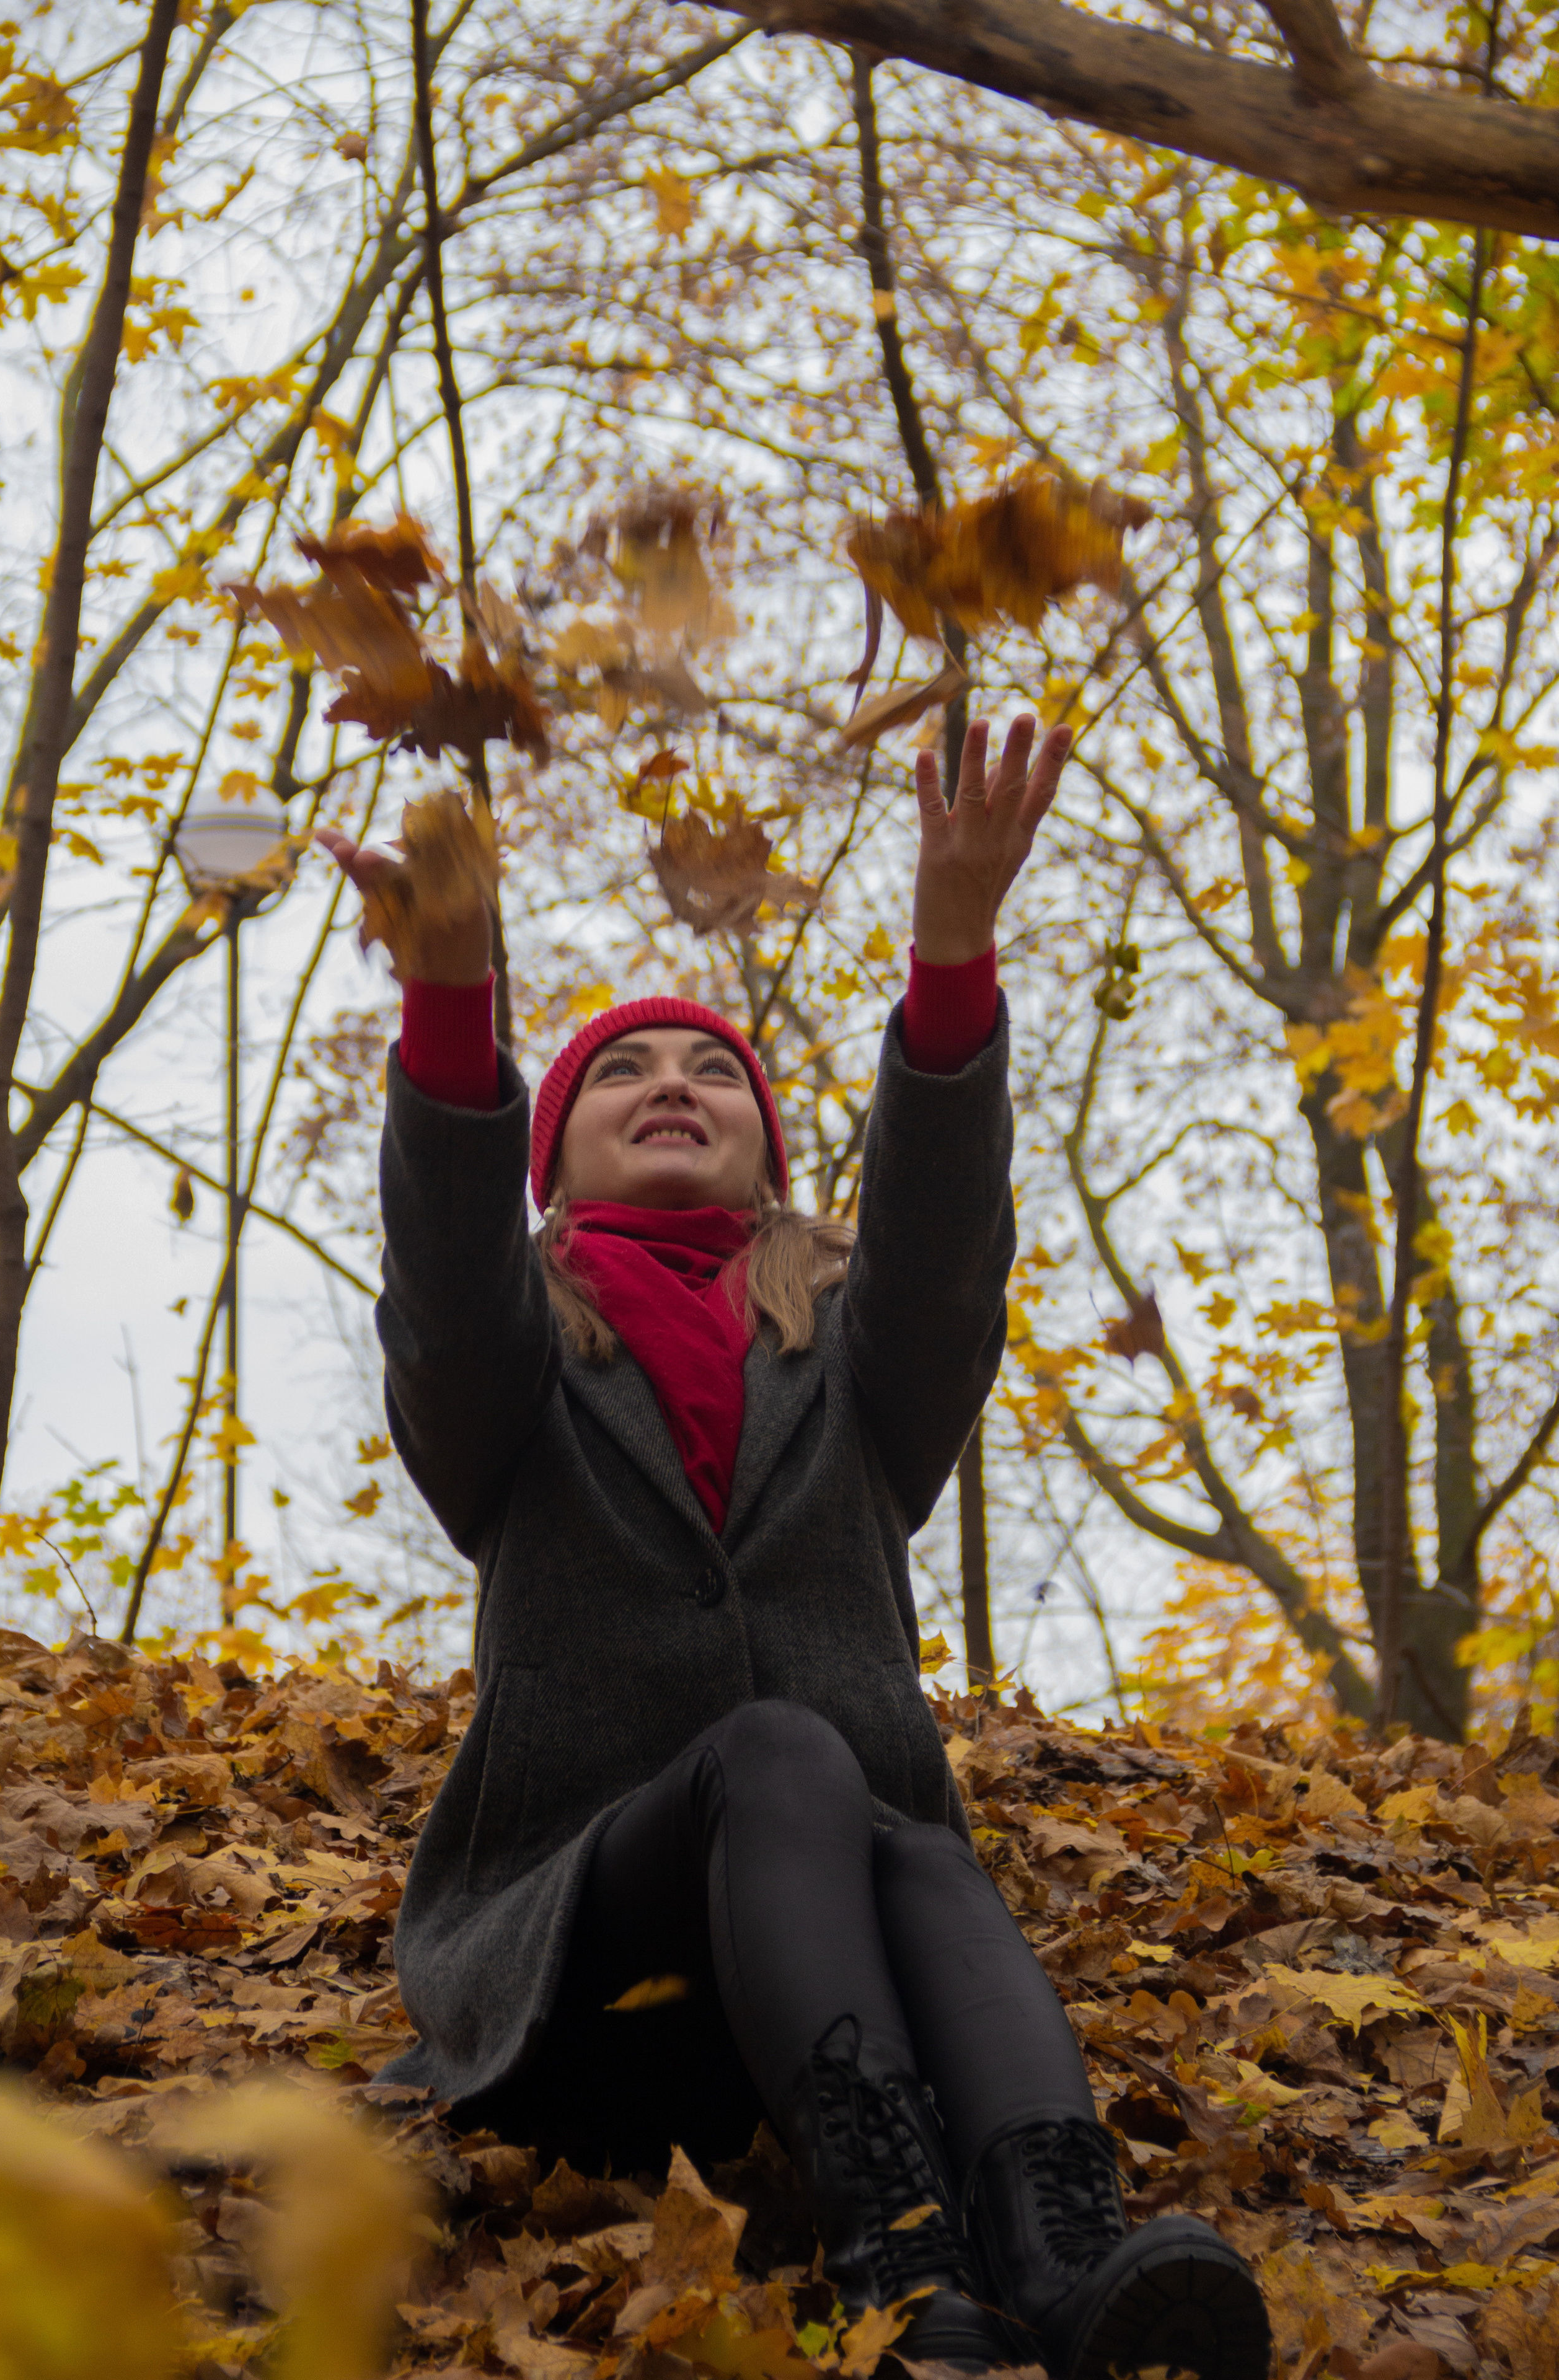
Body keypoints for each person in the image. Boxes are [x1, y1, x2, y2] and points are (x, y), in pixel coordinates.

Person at [319, 718, 1270, 2380]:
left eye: (709, 1074)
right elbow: (451, 1286)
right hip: (584, 1987)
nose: (668, 1085)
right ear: (550, 1166)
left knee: (908, 1833)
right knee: (776, 1750)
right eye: (617, 1072)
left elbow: (940, 1243)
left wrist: (955, 951)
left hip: (853, 1970)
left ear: (770, 1152)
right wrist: (455, 1002)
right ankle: (897, 2256)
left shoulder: (855, 1367)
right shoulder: (518, 1372)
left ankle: (1063, 2255)